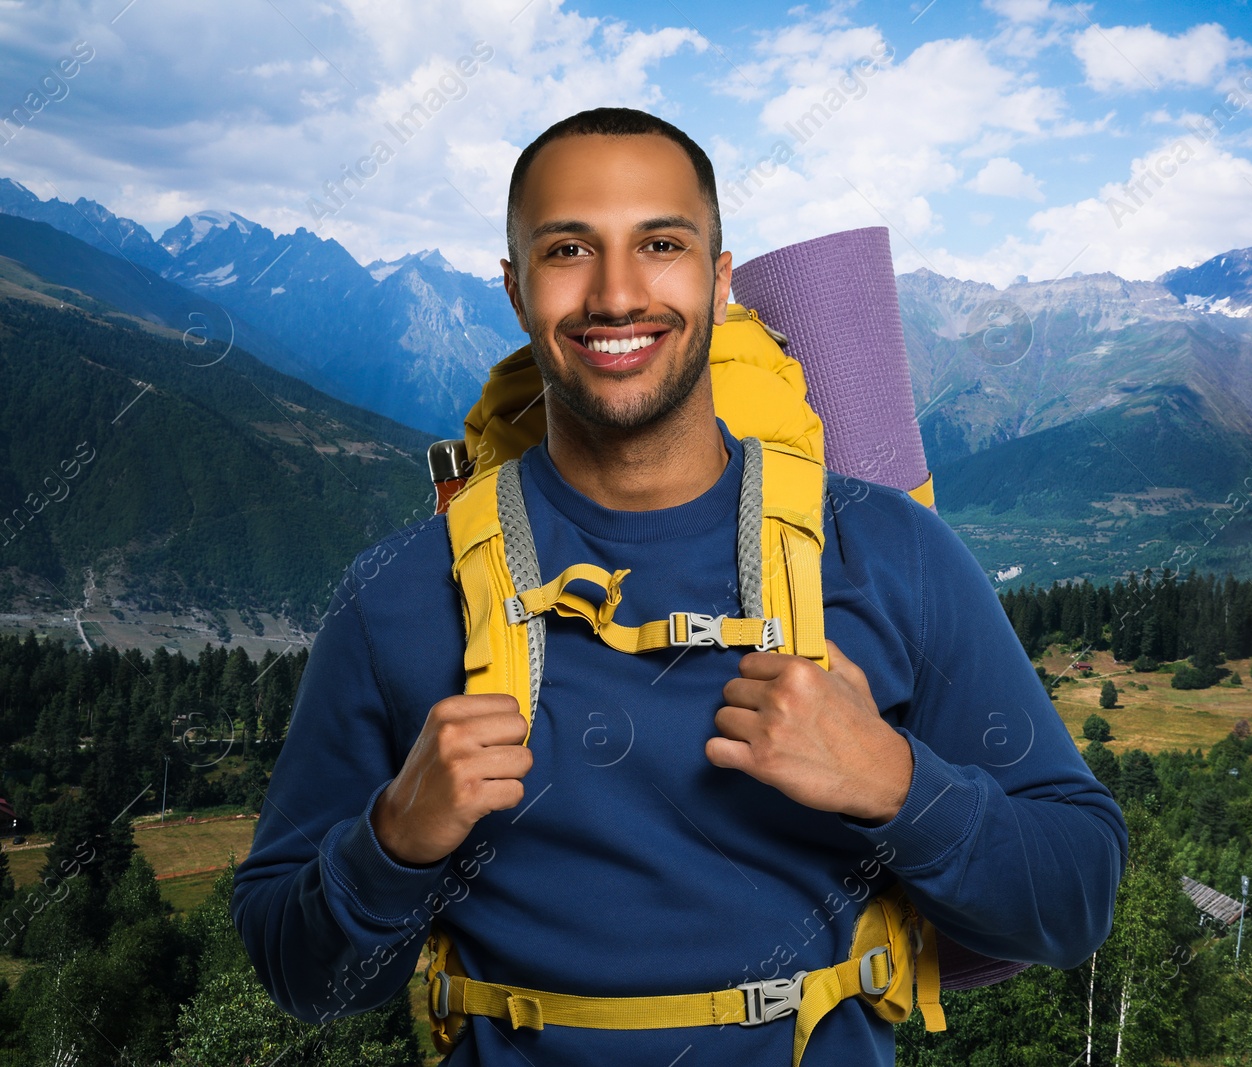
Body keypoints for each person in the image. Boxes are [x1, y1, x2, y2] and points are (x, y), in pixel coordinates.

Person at [232, 107, 1128, 1066]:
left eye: (661, 244)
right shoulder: (397, 593)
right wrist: (394, 839)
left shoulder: (890, 550)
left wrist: (893, 781)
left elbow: (1078, 900)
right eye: (570, 248)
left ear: (719, 275)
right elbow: (302, 977)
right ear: (515, 287)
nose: (618, 295)